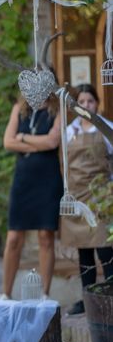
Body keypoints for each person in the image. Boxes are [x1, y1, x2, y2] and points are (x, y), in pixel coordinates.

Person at [0, 93, 62, 300]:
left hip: (48, 179)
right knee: (14, 237)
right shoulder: (19, 108)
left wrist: (23, 138)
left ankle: (45, 293)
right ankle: (6, 293)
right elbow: (8, 142)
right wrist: (38, 145)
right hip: (23, 180)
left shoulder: (57, 109)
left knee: (45, 236)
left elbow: (53, 141)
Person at [60, 83, 113, 315]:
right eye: (81, 101)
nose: (86, 105)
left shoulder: (107, 128)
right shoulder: (68, 131)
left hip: (101, 197)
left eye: (90, 101)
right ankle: (88, 299)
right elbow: (63, 165)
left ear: (97, 104)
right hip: (78, 198)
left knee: (105, 249)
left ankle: (110, 297)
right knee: (84, 252)